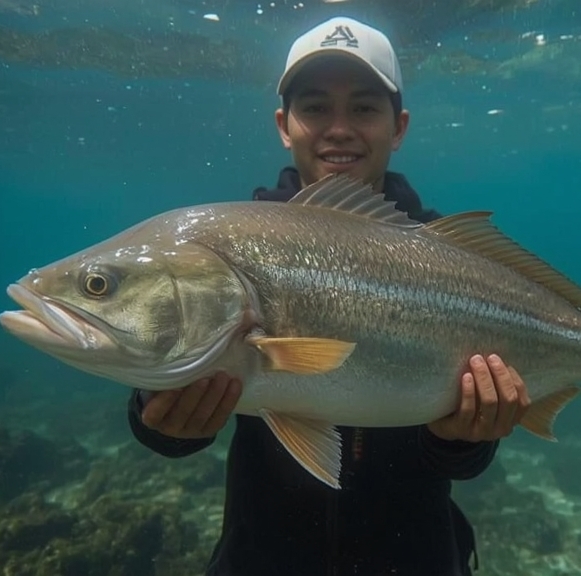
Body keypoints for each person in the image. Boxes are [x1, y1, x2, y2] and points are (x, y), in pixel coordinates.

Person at [127, 16, 531, 576]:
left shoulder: (452, 259)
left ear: (399, 127)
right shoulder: (235, 248)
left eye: (363, 108)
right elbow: (173, 401)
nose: (339, 129)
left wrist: (464, 439)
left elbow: (462, 459)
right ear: (284, 125)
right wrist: (160, 419)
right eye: (315, 107)